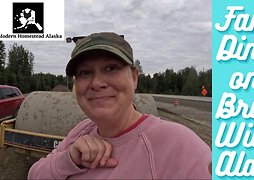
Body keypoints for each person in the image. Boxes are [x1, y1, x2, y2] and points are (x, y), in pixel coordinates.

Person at [28, 32, 212, 179]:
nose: (96, 83)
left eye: (111, 68)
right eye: (85, 72)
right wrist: (69, 159)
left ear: (134, 78)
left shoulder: (179, 145)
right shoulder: (81, 131)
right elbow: (35, 175)